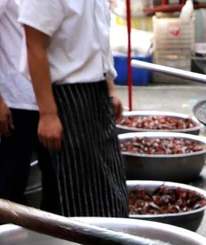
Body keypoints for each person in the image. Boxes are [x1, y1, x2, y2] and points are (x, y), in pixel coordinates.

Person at [18, 0, 129, 218]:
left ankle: (112, 244)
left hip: (95, 91)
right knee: (81, 193)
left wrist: (110, 88)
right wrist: (48, 114)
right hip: (67, 96)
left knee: (110, 186)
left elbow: (97, 41)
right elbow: (34, 45)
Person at [0, 0, 57, 210]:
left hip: (54, 95)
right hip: (19, 99)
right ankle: (8, 239)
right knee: (12, 189)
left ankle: (52, 241)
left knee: (57, 182)